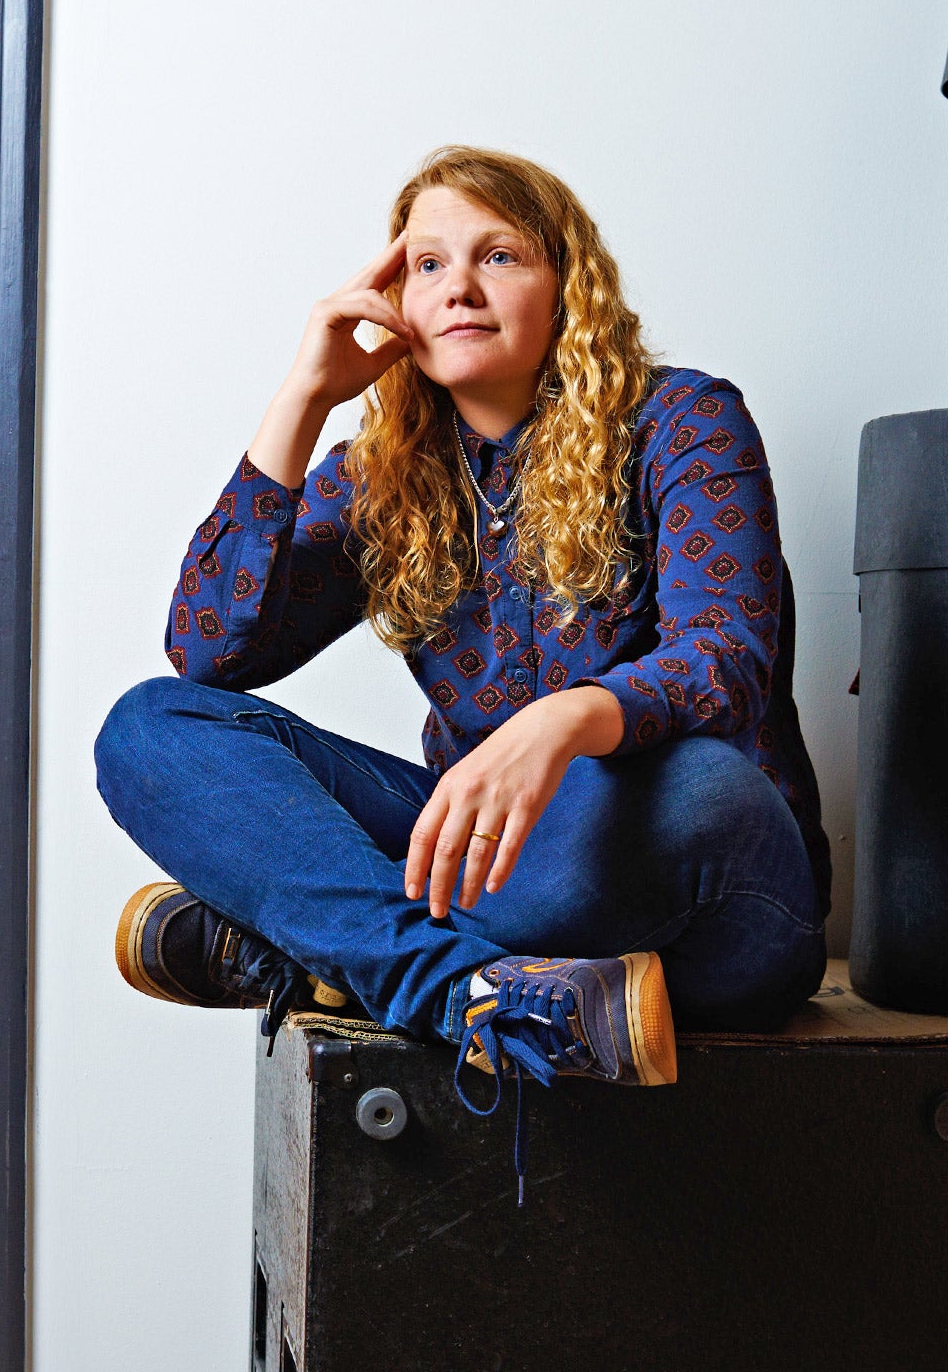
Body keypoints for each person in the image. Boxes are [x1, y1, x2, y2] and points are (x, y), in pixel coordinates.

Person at [94, 147, 829, 1182]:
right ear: (394, 301)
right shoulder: (384, 475)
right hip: (484, 869)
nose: (459, 287)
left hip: (701, 882)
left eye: (498, 255)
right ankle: (457, 990)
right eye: (427, 265)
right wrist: (304, 395)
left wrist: (564, 722)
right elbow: (210, 650)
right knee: (151, 724)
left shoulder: (683, 420)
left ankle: (314, 949)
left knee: (706, 786)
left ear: (565, 283)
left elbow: (727, 660)